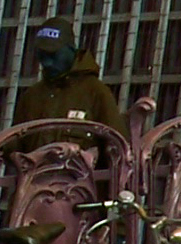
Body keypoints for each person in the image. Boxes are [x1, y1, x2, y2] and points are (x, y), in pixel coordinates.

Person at [11, 16, 128, 148]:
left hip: (81, 169)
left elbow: (119, 146)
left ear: (71, 49)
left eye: (53, 55)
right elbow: (16, 148)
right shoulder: (32, 96)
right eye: (42, 56)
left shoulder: (96, 92)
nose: (47, 63)